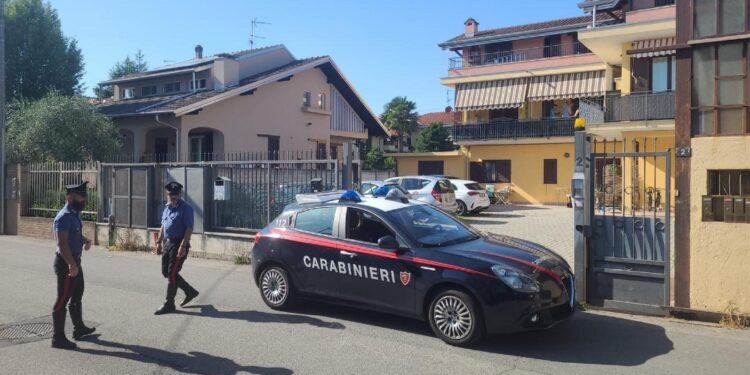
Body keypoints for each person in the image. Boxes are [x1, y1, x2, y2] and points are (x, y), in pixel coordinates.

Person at [52, 182, 96, 349]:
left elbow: (73, 235)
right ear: (69, 197)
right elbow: (62, 244)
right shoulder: (63, 216)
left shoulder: (74, 213)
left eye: (84, 196)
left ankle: (79, 328)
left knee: (77, 294)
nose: (83, 199)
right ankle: (58, 338)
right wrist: (71, 264)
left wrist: (84, 240)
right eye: (80, 196)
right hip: (66, 263)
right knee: (62, 299)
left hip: (75, 261)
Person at [154, 181, 199, 315]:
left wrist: (183, 246)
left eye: (175, 194)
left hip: (179, 243)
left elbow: (189, 228)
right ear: (167, 194)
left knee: (172, 274)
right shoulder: (167, 207)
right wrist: (159, 242)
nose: (173, 196)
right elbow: (163, 225)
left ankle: (169, 303)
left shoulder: (186, 208)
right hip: (168, 243)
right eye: (170, 194)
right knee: (166, 272)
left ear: (180, 194)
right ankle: (190, 291)